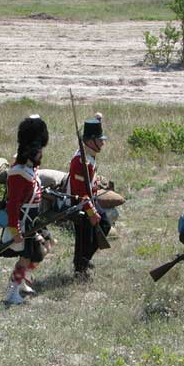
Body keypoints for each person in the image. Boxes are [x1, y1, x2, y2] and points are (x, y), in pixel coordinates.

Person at [1, 115, 49, 305]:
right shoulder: (18, 172)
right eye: (39, 152)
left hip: (33, 219)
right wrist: (15, 229)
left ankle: (22, 281)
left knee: (45, 246)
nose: (41, 155)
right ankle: (13, 291)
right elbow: (12, 204)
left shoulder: (28, 168)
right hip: (23, 221)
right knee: (25, 257)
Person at [66, 114, 111, 280]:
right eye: (100, 140)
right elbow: (79, 191)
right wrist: (91, 212)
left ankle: (84, 260)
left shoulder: (88, 155)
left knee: (103, 225)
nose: (103, 143)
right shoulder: (80, 162)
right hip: (80, 204)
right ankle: (80, 268)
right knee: (84, 238)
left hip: (89, 200)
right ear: (91, 141)